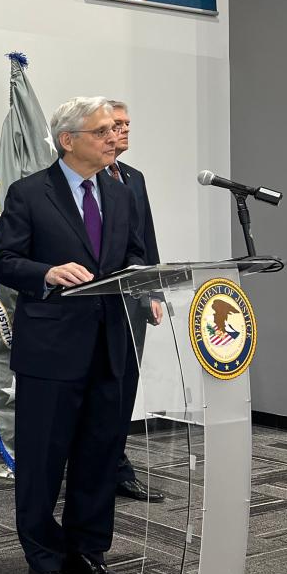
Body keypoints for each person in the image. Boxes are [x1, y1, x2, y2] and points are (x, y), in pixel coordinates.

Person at [0, 97, 145, 574]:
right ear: (68, 140)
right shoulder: (30, 193)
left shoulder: (120, 195)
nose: (112, 138)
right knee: (43, 461)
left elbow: (136, 254)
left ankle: (87, 551)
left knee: (99, 457)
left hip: (111, 346)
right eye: (101, 131)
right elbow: (3, 260)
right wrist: (47, 274)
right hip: (52, 352)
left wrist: (147, 283)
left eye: (113, 130)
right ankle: (43, 559)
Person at [105, 101, 166, 503]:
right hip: (93, 302)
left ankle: (116, 465)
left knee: (125, 387)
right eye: (116, 124)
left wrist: (155, 290)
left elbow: (146, 239)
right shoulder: (78, 181)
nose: (124, 131)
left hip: (133, 302)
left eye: (128, 124)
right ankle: (89, 463)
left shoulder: (133, 177)